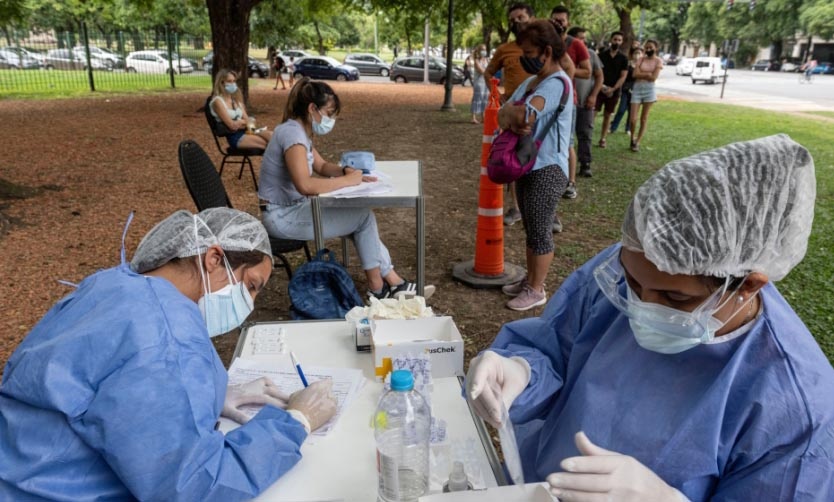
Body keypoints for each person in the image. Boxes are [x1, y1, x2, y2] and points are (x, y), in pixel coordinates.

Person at [467, 135, 834, 500]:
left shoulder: (797, 411)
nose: (641, 305)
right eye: (632, 284)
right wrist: (521, 370)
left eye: (675, 297)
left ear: (749, 285)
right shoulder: (629, 266)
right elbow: (555, 347)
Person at [0, 208, 339, 500]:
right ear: (214, 258)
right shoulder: (166, 338)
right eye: (250, 286)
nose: (248, 305)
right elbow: (192, 486)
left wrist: (210, 394)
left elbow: (94, 386)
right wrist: (294, 423)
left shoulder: (110, 285)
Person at [259, 78, 435, 300]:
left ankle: (393, 282)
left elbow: (321, 166)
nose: (330, 119)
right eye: (329, 112)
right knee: (363, 218)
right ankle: (380, 289)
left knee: (358, 218)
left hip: (293, 210)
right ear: (312, 108)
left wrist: (346, 171)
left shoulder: (298, 131)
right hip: (282, 217)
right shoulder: (293, 135)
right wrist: (348, 182)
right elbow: (305, 185)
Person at [497, 20, 573, 311]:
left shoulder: (555, 84)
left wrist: (511, 114)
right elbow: (504, 111)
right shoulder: (534, 82)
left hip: (548, 167)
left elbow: (524, 115)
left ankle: (537, 289)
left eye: (529, 51)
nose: (524, 58)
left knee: (540, 230)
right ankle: (530, 280)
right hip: (529, 163)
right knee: (531, 227)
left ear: (547, 51)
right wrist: (509, 113)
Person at [550, 6, 590, 204]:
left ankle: (571, 182)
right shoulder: (546, 41)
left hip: (568, 100)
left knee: (568, 142)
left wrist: (566, 72)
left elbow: (588, 72)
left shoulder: (575, 44)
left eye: (562, 20)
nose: (558, 23)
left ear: (568, 22)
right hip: (548, 98)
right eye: (555, 19)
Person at [566, 26, 603, 179]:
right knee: (567, 136)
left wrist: (593, 96)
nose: (584, 41)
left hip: (585, 101)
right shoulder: (565, 54)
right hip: (568, 101)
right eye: (581, 38)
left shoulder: (592, 55)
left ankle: (585, 163)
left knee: (585, 132)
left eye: (584, 38)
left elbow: (599, 77)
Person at [210, 69, 273, 150]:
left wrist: (240, 122)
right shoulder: (217, 101)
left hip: (249, 131)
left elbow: (248, 121)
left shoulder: (236, 100)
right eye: (229, 81)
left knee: (272, 136)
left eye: (234, 81)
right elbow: (232, 126)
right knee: (269, 145)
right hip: (235, 136)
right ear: (222, 83)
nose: (232, 84)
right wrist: (243, 122)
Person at [595, 31, 629, 148]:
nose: (617, 42)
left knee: (607, 115)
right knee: (593, 113)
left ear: (622, 42)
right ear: (611, 40)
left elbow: (623, 76)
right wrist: (602, 86)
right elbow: (596, 72)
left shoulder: (624, 58)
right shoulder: (601, 55)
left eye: (619, 40)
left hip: (614, 91)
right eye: (615, 39)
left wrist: (613, 89)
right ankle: (587, 136)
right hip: (599, 88)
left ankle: (603, 138)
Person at [629, 39, 662, 152]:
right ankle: (632, 137)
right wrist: (648, 74)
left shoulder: (658, 61)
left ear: (656, 48)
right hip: (637, 89)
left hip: (649, 90)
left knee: (644, 118)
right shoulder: (641, 59)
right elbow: (634, 74)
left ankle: (638, 141)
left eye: (650, 47)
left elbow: (654, 78)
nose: (648, 49)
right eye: (646, 47)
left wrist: (642, 74)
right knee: (633, 119)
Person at [609, 46, 641, 135]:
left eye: (639, 53)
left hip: (636, 91)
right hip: (626, 89)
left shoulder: (641, 65)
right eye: (636, 53)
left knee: (632, 111)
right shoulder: (628, 64)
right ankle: (613, 127)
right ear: (632, 54)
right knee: (621, 109)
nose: (637, 55)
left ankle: (628, 128)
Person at [470, 44, 489, 124]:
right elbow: (482, 71)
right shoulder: (476, 61)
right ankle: (473, 117)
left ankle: (483, 117)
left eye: (485, 49)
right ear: (479, 51)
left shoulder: (487, 60)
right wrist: (489, 73)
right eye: (482, 50)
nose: (484, 51)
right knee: (477, 98)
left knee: (485, 99)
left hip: (486, 83)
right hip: (479, 83)